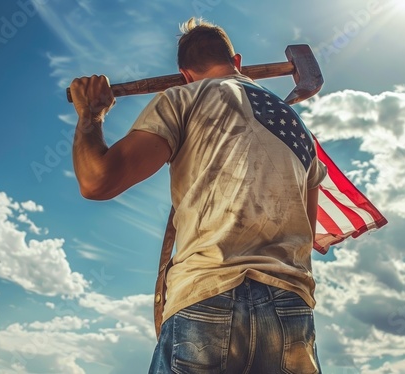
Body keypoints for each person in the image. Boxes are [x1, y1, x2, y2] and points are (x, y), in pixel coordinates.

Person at [70, 17, 326, 374]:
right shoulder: (299, 128)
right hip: (291, 313)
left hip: (209, 295)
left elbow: (97, 181)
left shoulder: (183, 97)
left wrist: (91, 115)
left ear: (185, 73)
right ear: (236, 62)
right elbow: (308, 237)